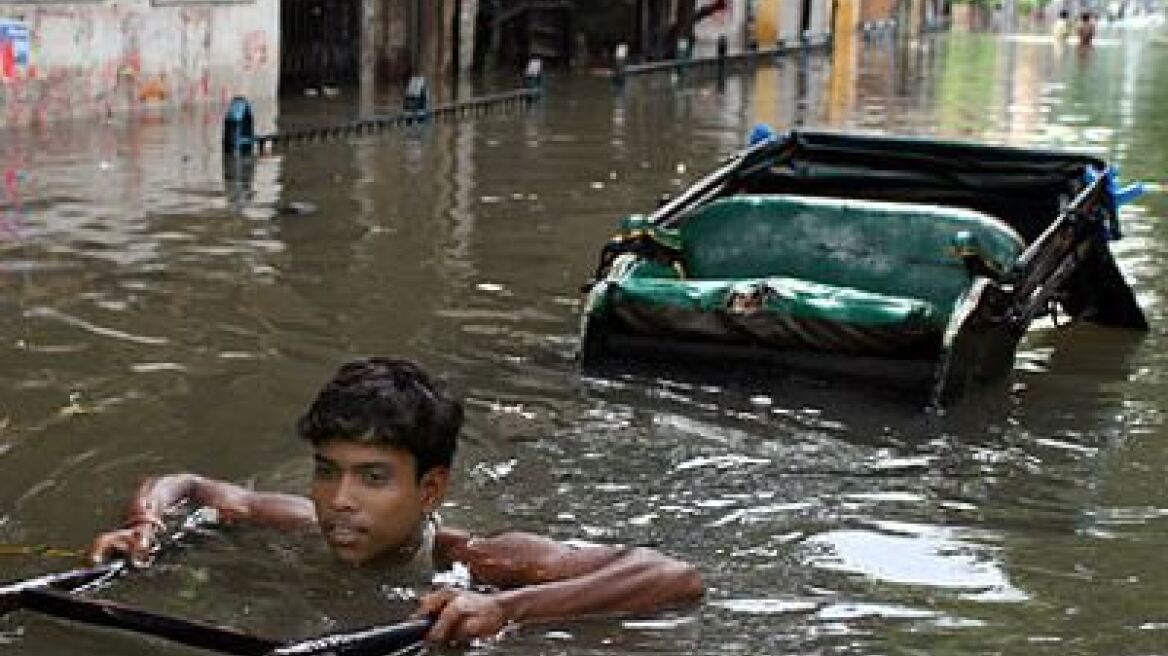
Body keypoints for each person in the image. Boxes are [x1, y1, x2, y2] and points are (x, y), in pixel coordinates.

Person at [89, 357, 703, 644]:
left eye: (372, 478)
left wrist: (509, 610)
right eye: (327, 473)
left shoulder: (479, 561)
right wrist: (146, 524)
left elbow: (674, 576)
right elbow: (189, 486)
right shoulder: (303, 523)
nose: (339, 502)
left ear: (430, 488)